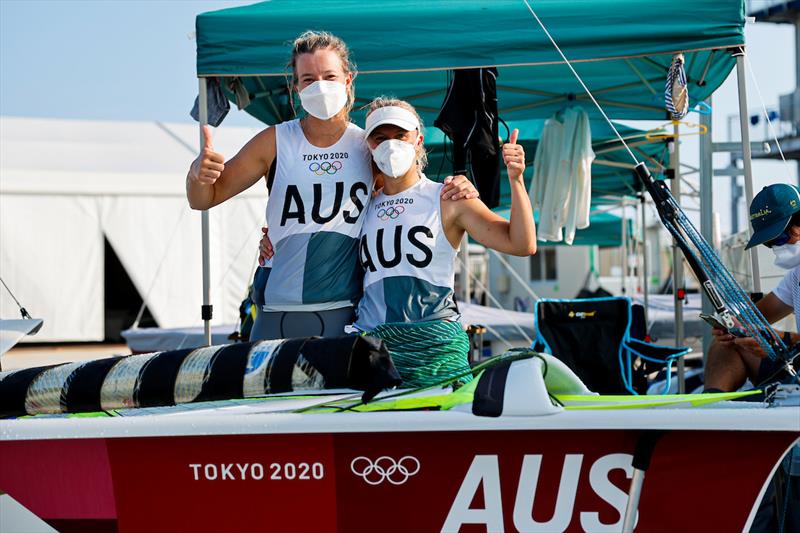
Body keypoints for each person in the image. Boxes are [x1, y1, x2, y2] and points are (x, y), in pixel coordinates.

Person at [187, 31, 476, 341]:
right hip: (275, 308)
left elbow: (407, 197)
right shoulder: (274, 141)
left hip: (342, 313)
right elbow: (205, 199)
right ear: (295, 86)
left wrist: (457, 188)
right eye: (309, 79)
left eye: (329, 76)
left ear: (348, 79)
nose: (321, 86)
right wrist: (196, 175)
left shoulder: (368, 146)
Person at [352, 98, 537, 387]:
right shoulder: (360, 206)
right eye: (380, 137)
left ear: (418, 140)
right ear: (369, 145)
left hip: (434, 353)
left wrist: (517, 180)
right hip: (374, 349)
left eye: (400, 136)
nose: (391, 145)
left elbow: (521, 244)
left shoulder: (448, 198)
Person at [704, 183, 800, 393]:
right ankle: (710, 411)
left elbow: (781, 337)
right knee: (726, 344)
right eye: (770, 242)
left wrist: (782, 340)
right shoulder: (796, 277)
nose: (777, 247)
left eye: (780, 238)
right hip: (795, 368)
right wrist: (733, 328)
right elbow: (756, 317)